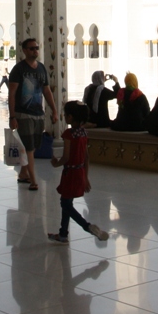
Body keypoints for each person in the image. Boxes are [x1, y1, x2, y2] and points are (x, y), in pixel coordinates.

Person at [47, 101, 109, 244]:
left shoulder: (69, 134)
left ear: (71, 117)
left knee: (65, 204)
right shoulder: (83, 133)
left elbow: (66, 157)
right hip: (80, 171)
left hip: (70, 173)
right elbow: (86, 157)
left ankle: (87, 226)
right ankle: (63, 234)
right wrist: (86, 178)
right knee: (67, 202)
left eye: (66, 114)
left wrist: (56, 163)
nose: (64, 116)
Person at [8, 38, 58, 192]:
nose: (35, 51)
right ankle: (33, 180)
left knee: (34, 146)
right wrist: (12, 116)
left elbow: (46, 91)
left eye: (36, 48)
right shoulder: (19, 69)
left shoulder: (41, 68)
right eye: (31, 48)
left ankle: (23, 173)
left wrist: (54, 110)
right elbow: (12, 93)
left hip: (38, 114)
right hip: (23, 114)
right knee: (29, 148)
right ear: (24, 50)